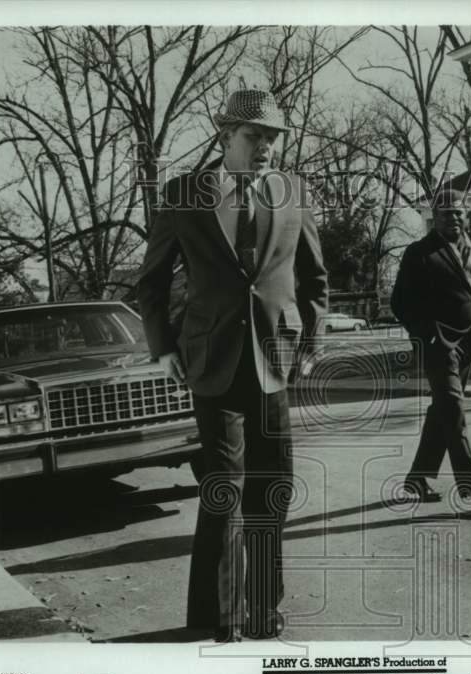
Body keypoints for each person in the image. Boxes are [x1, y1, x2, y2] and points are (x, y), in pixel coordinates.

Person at [136, 89, 329, 641]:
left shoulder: (293, 194)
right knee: (223, 486)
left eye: (273, 138)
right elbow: (150, 283)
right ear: (225, 137)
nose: (266, 146)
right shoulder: (183, 195)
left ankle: (265, 611)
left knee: (274, 487)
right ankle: (217, 618)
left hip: (274, 362)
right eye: (254, 136)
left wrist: (312, 342)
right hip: (212, 364)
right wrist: (165, 347)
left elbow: (315, 279)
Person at [390, 192, 471, 522]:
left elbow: (470, 290)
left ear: (465, 216)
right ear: (433, 218)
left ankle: (419, 477)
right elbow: (400, 303)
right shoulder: (418, 253)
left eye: (458, 214)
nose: (453, 219)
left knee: (444, 409)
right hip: (439, 344)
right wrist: (427, 334)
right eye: (445, 214)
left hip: (467, 341)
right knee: (453, 410)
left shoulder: (470, 246)